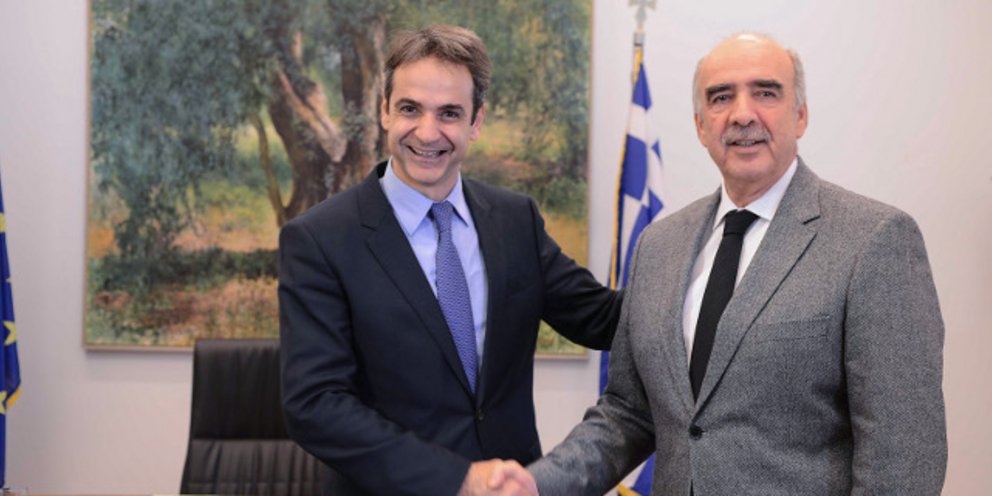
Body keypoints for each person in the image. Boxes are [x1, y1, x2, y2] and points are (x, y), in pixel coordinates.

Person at [511, 33, 947, 495]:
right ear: (701, 126)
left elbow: (903, 455)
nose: (742, 114)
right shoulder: (658, 245)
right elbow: (629, 412)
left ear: (800, 115)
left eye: (765, 92)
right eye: (721, 97)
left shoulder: (873, 239)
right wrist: (535, 485)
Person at [278, 24, 621, 496]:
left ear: (476, 121)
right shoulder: (320, 239)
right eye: (410, 109)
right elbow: (315, 405)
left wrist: (705, 257)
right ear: (383, 110)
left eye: (449, 113)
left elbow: (603, 320)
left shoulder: (514, 219)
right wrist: (457, 479)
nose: (427, 132)